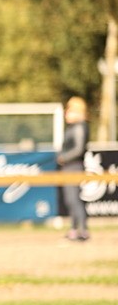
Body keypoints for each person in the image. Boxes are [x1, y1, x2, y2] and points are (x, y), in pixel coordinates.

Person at [58, 96, 90, 241]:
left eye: (69, 110)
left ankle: (82, 230)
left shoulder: (80, 126)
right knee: (70, 200)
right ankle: (73, 229)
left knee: (74, 199)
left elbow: (78, 149)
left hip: (74, 166)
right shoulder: (73, 127)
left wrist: (64, 157)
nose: (66, 113)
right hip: (69, 167)